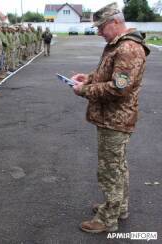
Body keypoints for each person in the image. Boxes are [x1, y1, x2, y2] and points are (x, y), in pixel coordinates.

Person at [71, 2, 150, 233]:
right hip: (113, 118)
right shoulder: (119, 45)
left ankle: (107, 219)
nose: (98, 32)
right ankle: (118, 207)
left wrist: (83, 90)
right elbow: (109, 73)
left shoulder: (127, 48)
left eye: (101, 27)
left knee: (110, 170)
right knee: (118, 167)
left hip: (115, 119)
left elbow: (118, 88)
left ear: (115, 22)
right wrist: (88, 78)